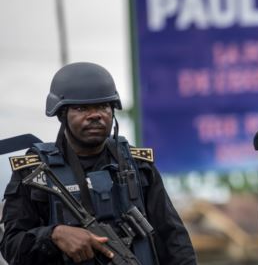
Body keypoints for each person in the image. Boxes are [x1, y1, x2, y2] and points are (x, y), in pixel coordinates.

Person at [0, 62, 196, 265]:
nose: (95, 115)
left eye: (103, 106)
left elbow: (174, 240)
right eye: (81, 108)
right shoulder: (34, 172)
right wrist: (54, 235)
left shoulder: (138, 167)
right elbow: (12, 247)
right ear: (62, 114)